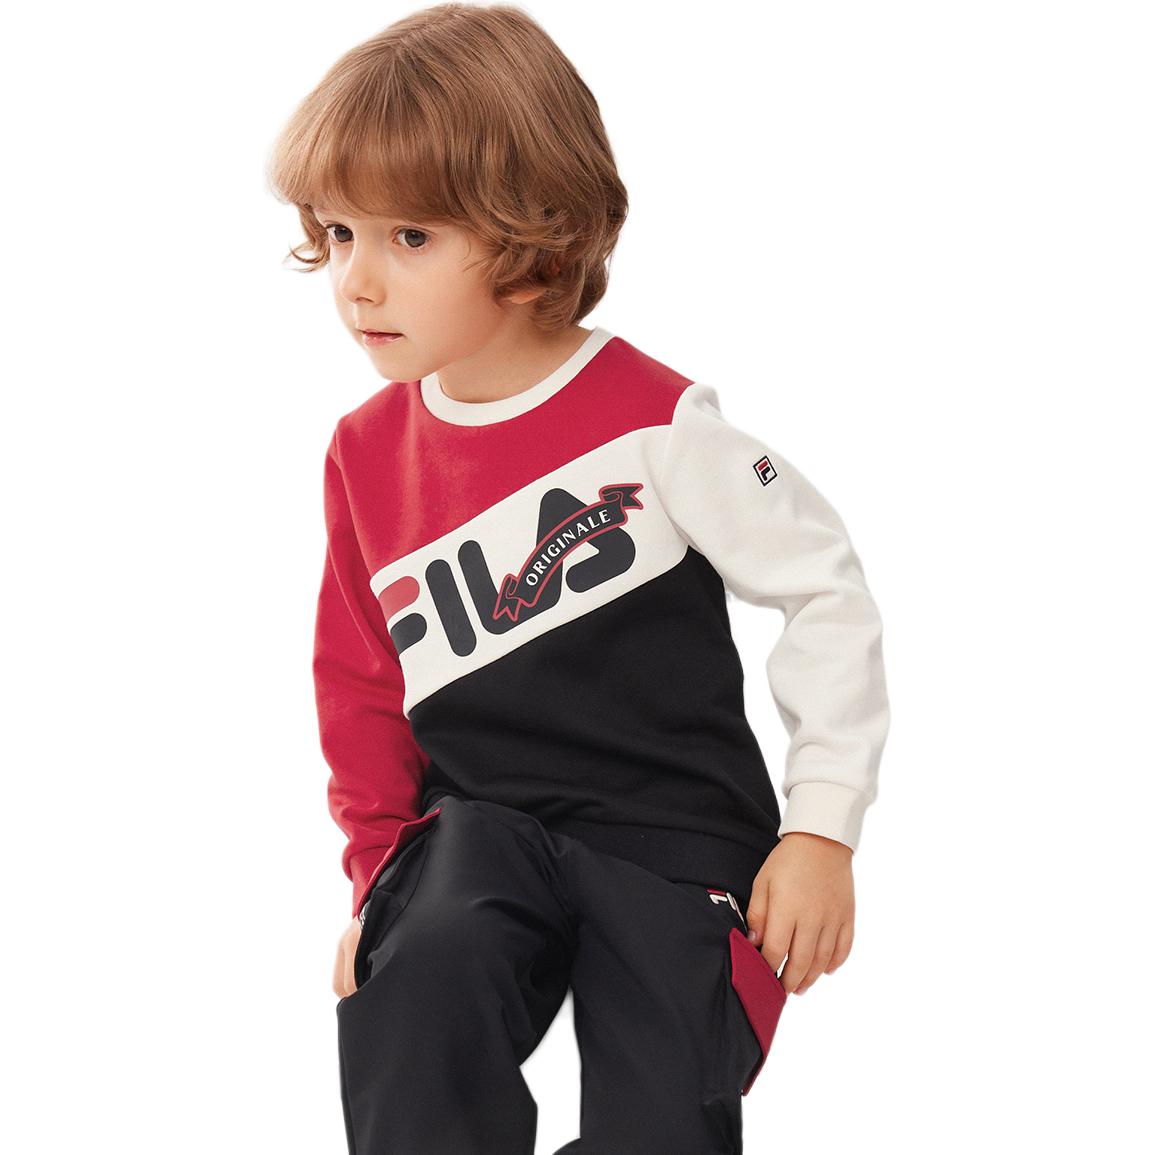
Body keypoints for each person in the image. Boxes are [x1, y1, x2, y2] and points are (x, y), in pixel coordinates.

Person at [267, 5, 890, 1152]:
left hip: (674, 840)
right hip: (479, 831)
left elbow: (824, 589)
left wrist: (822, 831)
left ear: (534, 234)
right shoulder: (364, 454)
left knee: (666, 1118)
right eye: (340, 232)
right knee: (420, 987)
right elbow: (359, 688)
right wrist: (380, 889)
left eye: (410, 237)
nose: (357, 281)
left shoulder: (658, 422)